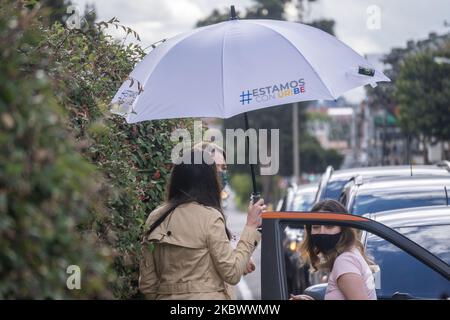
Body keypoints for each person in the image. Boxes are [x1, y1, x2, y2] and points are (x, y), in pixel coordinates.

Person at [139, 148, 265, 299]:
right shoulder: (210, 218)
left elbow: (147, 284)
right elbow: (232, 273)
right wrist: (251, 226)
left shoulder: (155, 218)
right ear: (210, 181)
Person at [290, 199, 377, 300]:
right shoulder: (349, 255)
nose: (322, 232)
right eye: (316, 227)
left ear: (343, 229)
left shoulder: (345, 262)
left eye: (329, 226)